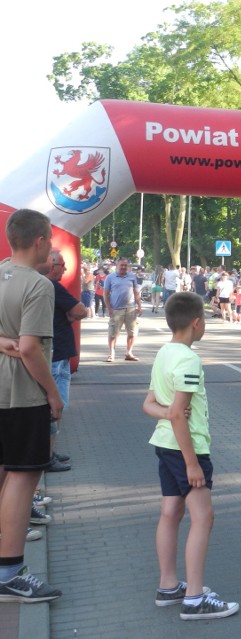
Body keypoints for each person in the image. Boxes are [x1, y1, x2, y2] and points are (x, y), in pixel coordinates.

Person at [142, 292, 239, 619]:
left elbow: (149, 405)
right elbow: (179, 414)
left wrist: (169, 414)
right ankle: (195, 599)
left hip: (164, 444)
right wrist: (192, 462)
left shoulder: (164, 353)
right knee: (203, 518)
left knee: (171, 511)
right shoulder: (188, 360)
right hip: (187, 448)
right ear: (197, 323)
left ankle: (168, 586)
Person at [0, 208, 64, 603]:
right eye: (51, 241)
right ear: (40, 241)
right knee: (23, 478)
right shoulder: (39, 285)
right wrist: (53, 395)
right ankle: (10, 570)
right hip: (22, 394)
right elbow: (29, 348)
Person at [40, 250, 87, 472]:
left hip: (53, 353)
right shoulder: (52, 286)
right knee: (56, 408)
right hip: (56, 357)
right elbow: (80, 310)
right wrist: (71, 316)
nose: (66, 269)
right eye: (63, 265)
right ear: (53, 265)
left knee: (52, 409)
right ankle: (47, 456)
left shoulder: (40, 286)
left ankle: (48, 451)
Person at [104, 257, 143, 362]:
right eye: (121, 265)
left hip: (131, 309)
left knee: (132, 332)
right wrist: (109, 308)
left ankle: (129, 352)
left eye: (125, 265)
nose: (123, 267)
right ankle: (111, 353)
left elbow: (136, 292)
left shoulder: (132, 276)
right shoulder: (110, 277)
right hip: (116, 309)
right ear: (117, 265)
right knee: (113, 333)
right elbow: (106, 294)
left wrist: (139, 306)